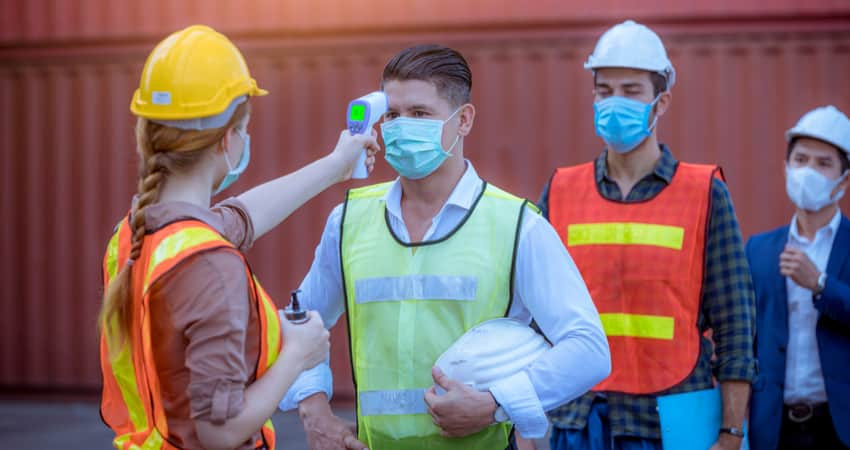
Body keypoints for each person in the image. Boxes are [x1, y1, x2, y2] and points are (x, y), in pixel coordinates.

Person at [277, 44, 611, 450]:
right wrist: (315, 413)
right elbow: (299, 321)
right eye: (393, 116)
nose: (401, 127)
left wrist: (496, 405)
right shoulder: (348, 221)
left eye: (420, 114)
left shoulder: (518, 225)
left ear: (464, 120)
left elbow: (589, 348)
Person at [98, 25, 379, 449]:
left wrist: (337, 165)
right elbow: (218, 431)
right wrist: (296, 355)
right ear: (228, 139)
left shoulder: (136, 234)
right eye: (244, 129)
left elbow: (240, 217)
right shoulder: (209, 263)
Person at [538, 20, 756, 450]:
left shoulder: (705, 192)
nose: (614, 102)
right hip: (581, 419)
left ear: (662, 102)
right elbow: (532, 314)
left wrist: (732, 434)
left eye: (631, 90)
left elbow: (736, 323)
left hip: (674, 419)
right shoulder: (561, 190)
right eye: (604, 90)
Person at [747, 105, 850, 450]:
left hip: (838, 429)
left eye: (823, 164)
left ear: (844, 180)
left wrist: (821, 284)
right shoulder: (759, 250)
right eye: (801, 160)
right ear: (786, 168)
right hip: (775, 429)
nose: (809, 172)